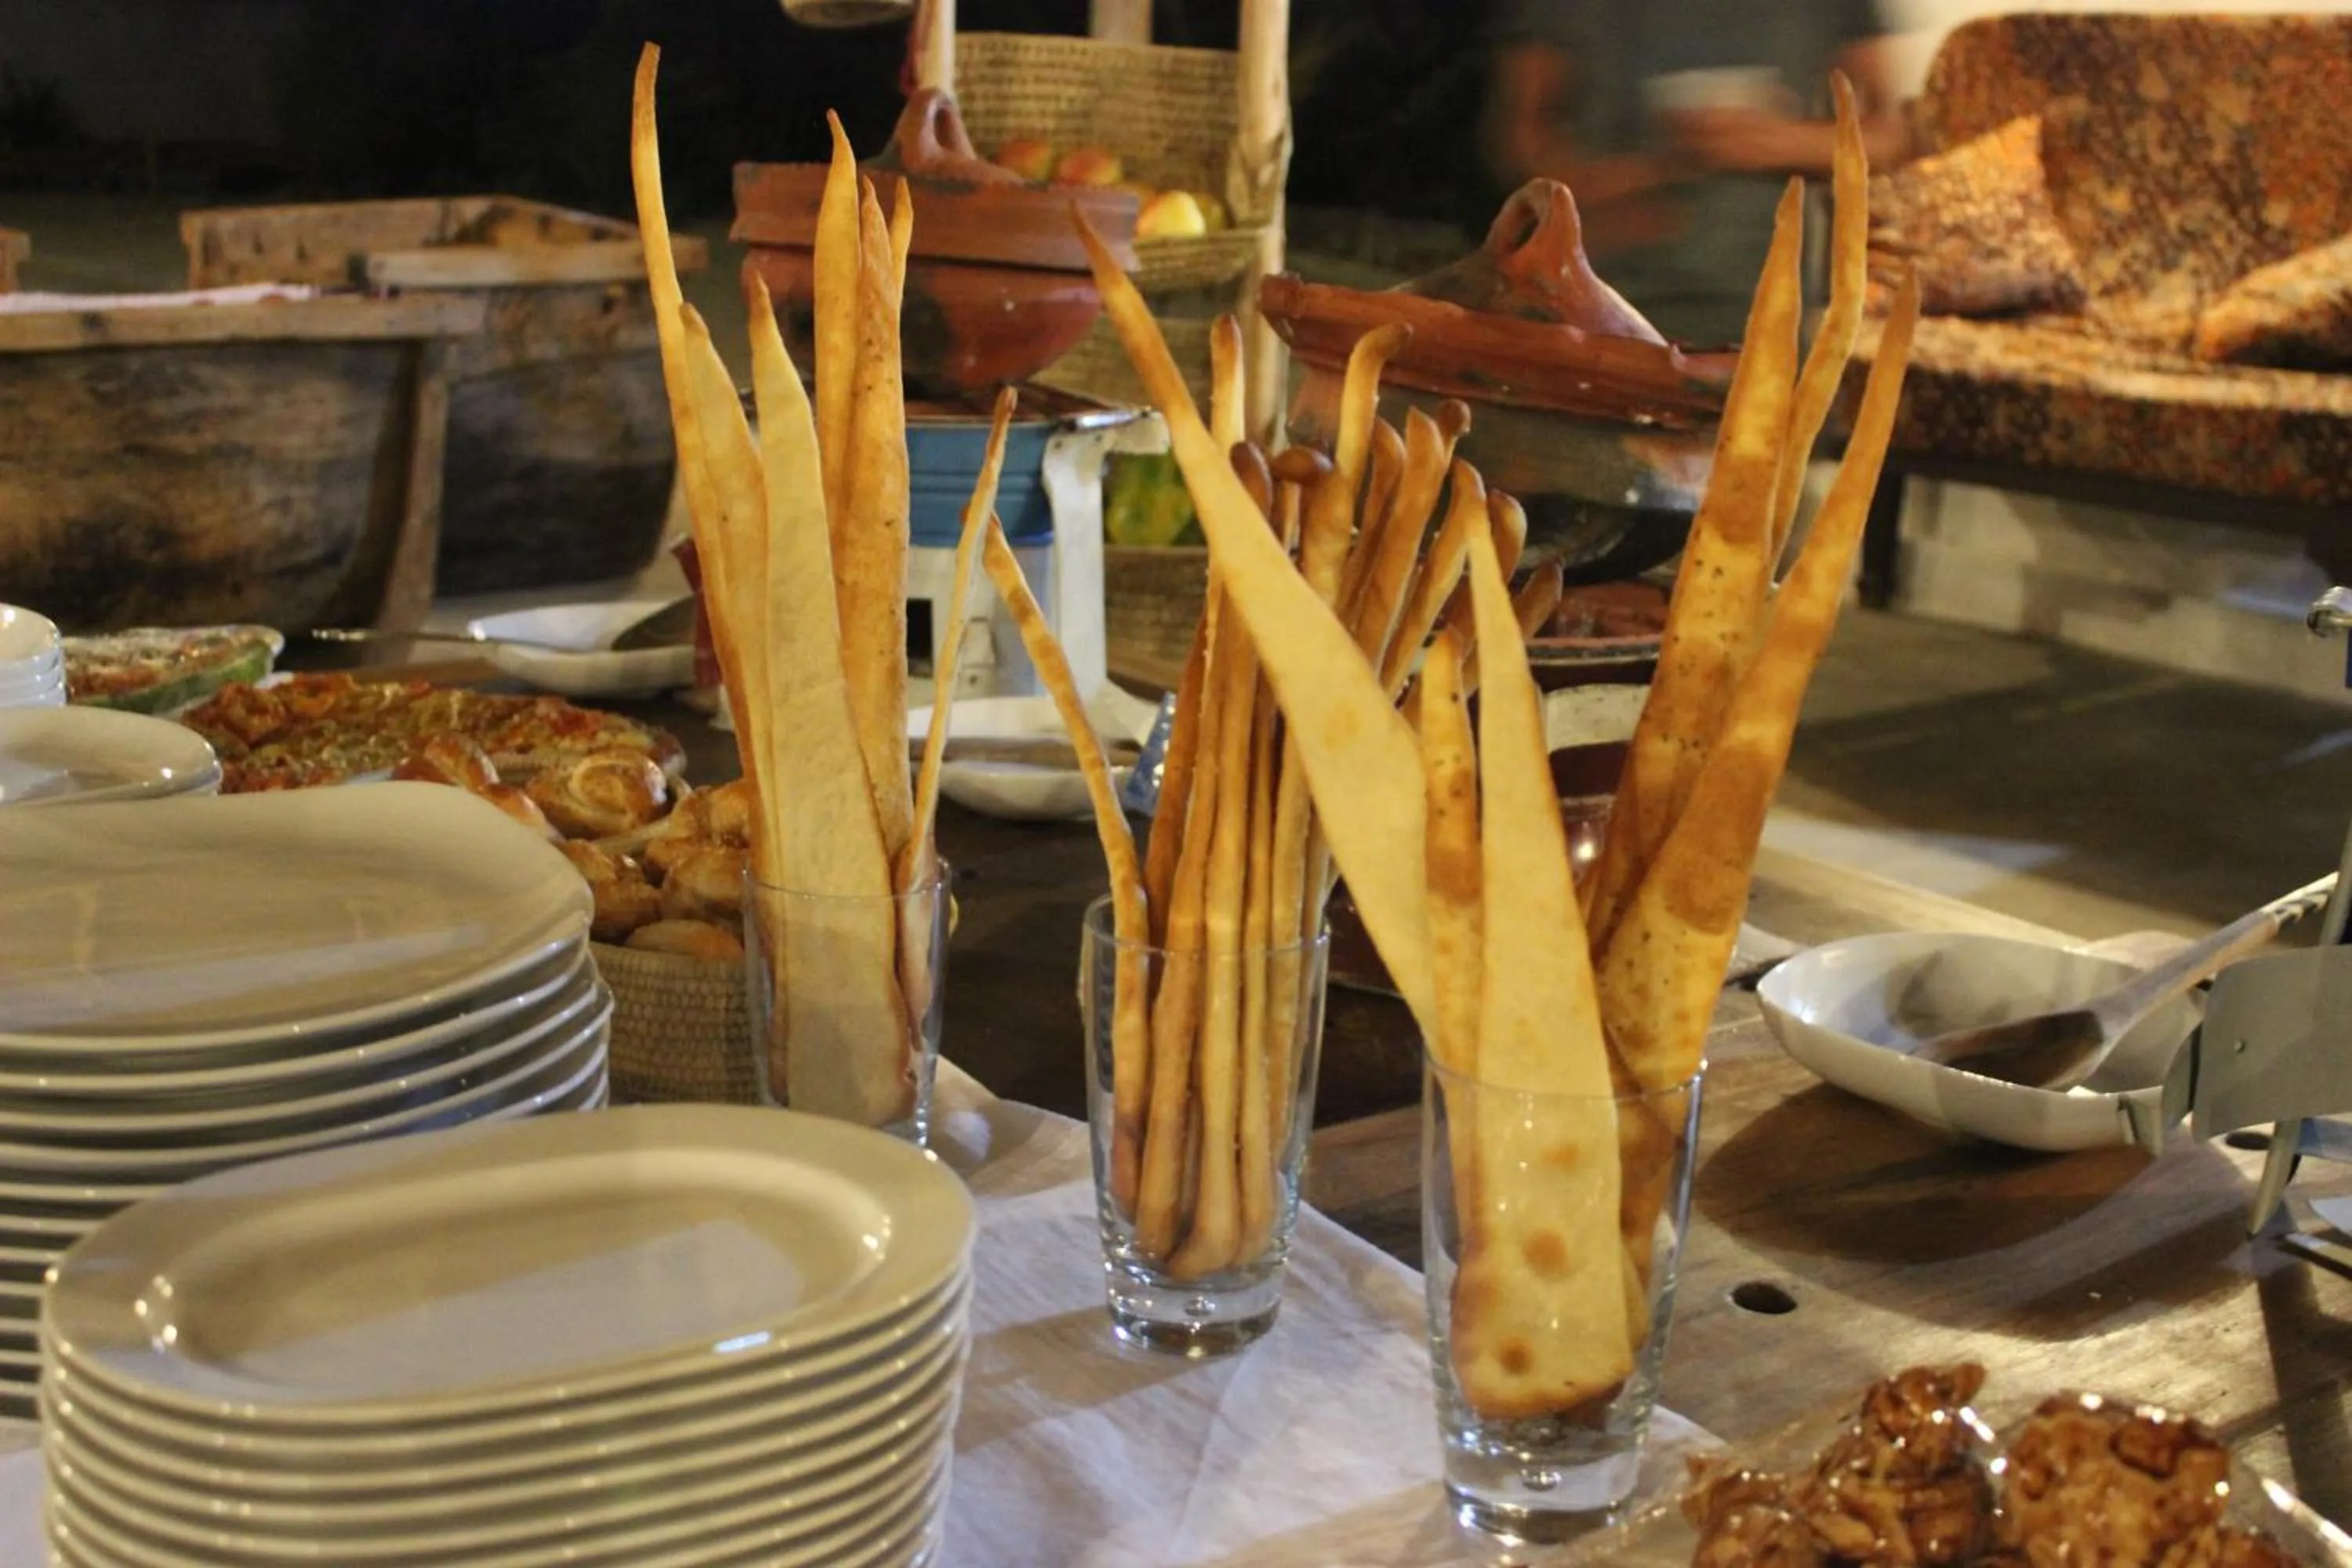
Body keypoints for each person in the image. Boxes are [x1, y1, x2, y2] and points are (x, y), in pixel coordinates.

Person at [1485, 0, 1908, 345]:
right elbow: (1519, 139)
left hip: (1775, 312)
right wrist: (1619, 183)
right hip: (1601, 306)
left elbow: (1892, 140)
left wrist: (1768, 141)